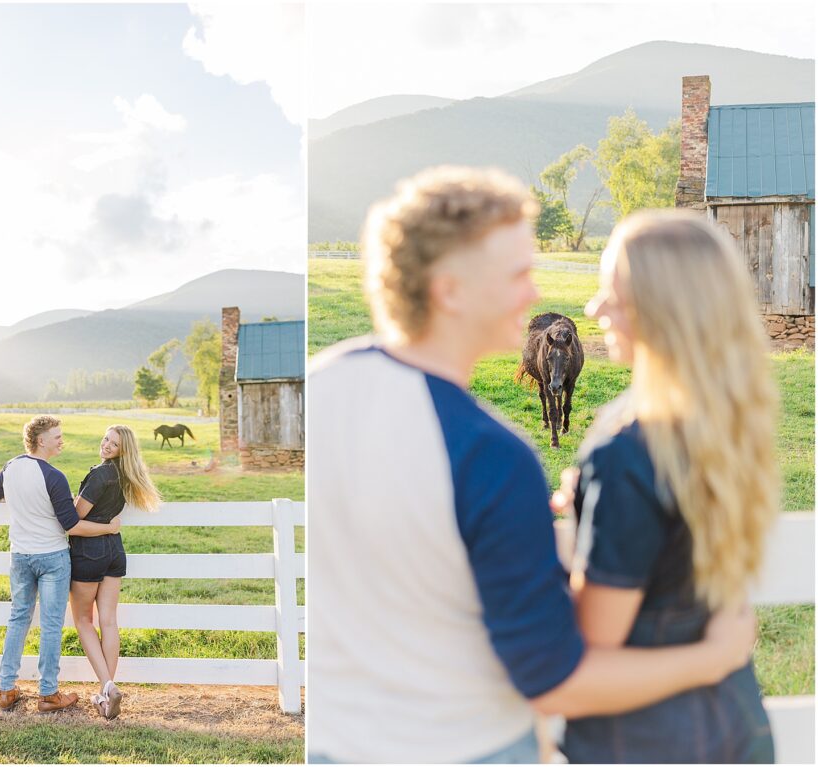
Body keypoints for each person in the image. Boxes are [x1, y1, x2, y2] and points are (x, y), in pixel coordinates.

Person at [307, 166, 758, 764]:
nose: (534, 297)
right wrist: (714, 657)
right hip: (470, 743)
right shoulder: (489, 453)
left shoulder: (326, 384)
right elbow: (555, 674)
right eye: (518, 274)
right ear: (450, 289)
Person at [553, 210, 778, 763]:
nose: (593, 309)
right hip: (735, 730)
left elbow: (588, 661)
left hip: (646, 741)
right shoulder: (729, 421)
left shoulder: (628, 451)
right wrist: (587, 513)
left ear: (665, 308)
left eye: (614, 292)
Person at [0, 415, 121, 713]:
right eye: (56, 436)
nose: (61, 440)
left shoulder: (11, 466)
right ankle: (48, 694)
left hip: (20, 555)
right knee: (50, 624)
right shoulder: (54, 476)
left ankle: (6, 690)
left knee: (18, 618)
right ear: (40, 440)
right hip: (52, 557)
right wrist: (109, 528)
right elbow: (70, 523)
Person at [70, 424, 161, 720]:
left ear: (123, 450)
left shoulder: (100, 474)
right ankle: (106, 695)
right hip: (114, 553)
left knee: (84, 621)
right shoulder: (125, 476)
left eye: (114, 443)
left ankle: (107, 686)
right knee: (108, 622)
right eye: (106, 438)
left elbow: (76, 515)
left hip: (89, 551)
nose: (106, 444)